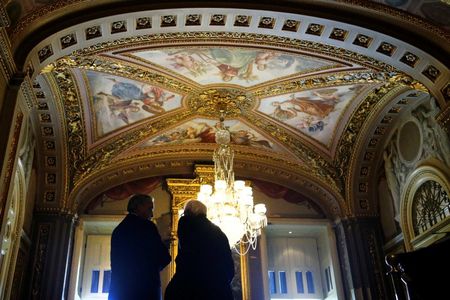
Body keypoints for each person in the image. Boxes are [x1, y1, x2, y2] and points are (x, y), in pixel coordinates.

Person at [165, 200, 235, 300]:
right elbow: (228, 265)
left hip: (190, 287)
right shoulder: (218, 232)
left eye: (185, 213)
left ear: (188, 213)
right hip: (218, 289)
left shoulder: (186, 222)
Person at [109, 194, 171, 300]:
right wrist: (165, 245)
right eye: (150, 208)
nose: (152, 214)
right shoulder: (147, 227)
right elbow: (162, 258)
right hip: (145, 290)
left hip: (121, 291)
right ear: (138, 206)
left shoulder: (118, 230)